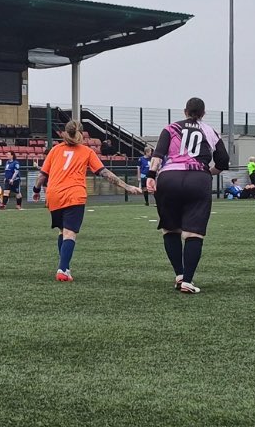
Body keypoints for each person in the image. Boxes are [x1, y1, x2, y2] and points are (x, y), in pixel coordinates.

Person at [32, 120, 140, 281]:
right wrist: (126, 186)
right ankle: (62, 269)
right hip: (74, 194)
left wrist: (35, 190)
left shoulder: (54, 150)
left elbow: (42, 175)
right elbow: (104, 173)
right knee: (70, 233)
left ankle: (65, 267)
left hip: (54, 195)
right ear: (80, 134)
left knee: (62, 231)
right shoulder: (86, 151)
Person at [146, 97, 229, 294]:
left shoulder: (170, 128)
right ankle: (188, 281)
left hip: (169, 177)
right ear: (203, 114)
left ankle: (179, 275)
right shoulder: (210, 131)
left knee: (170, 229)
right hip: (198, 178)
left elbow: (157, 155)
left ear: (185, 111)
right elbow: (223, 161)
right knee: (194, 233)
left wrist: (150, 176)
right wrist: (209, 172)